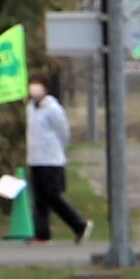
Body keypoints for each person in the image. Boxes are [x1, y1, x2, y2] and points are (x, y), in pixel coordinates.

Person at [22, 69, 91, 243]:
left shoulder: (53, 109)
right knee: (39, 199)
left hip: (51, 160)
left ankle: (79, 224)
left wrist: (59, 151)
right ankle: (42, 234)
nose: (34, 89)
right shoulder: (31, 108)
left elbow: (63, 132)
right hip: (35, 159)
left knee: (53, 197)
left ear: (45, 88)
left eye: (38, 86)